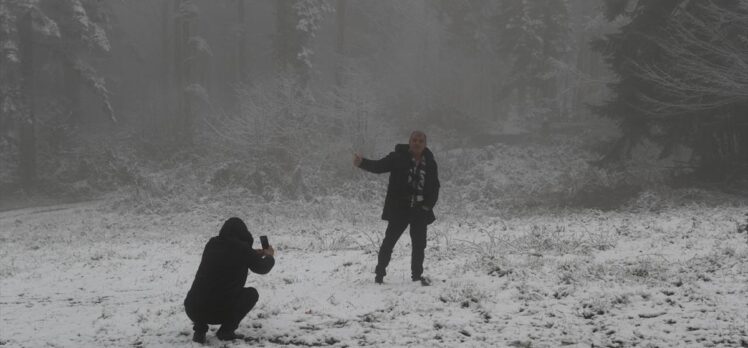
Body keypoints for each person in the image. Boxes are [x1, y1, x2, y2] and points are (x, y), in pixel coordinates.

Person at [354, 131, 440, 285]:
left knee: (419, 245)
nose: (417, 143)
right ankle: (379, 275)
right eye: (414, 140)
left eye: (421, 141)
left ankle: (416, 277)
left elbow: (435, 186)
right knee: (389, 242)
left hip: (420, 209)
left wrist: (428, 206)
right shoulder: (397, 157)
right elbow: (379, 166)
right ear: (409, 142)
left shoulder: (431, 162)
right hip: (400, 207)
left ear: (425, 144)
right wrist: (362, 163)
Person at [184, 217, 275, 343]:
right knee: (251, 294)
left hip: (192, 308)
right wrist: (269, 256)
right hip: (218, 311)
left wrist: (252, 253)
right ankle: (226, 331)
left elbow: (228, 253)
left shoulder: (212, 243)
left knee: (204, 291)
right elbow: (262, 268)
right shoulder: (243, 250)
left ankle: (199, 330)